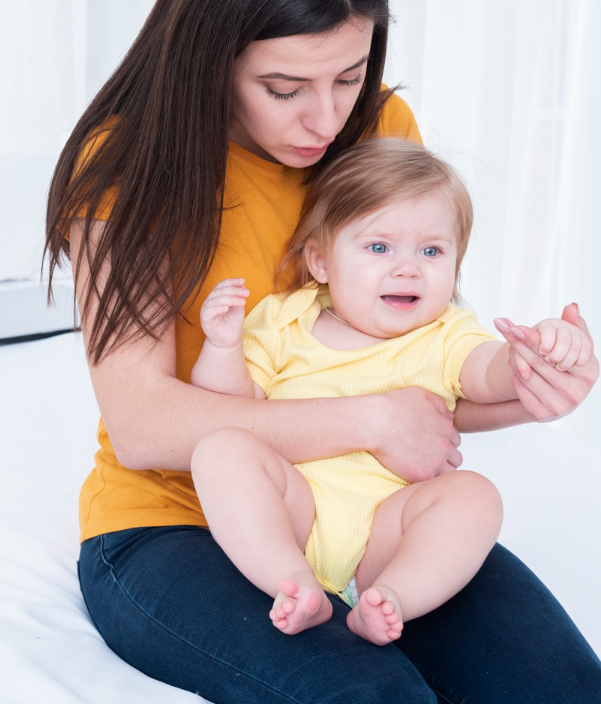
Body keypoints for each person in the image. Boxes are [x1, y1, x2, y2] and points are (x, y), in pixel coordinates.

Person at [44, 0, 601, 702]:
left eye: (348, 75)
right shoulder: (128, 166)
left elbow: (418, 366)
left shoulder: (382, 127)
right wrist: (368, 419)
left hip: (371, 513)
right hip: (174, 522)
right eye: (285, 88)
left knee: (563, 687)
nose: (326, 119)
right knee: (375, 696)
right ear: (211, 58)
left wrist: (529, 387)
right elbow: (141, 425)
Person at [189, 138, 595, 646]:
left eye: (432, 251)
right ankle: (292, 581)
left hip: (385, 535)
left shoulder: (445, 333)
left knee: (475, 496)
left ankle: (393, 597)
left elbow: (488, 372)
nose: (408, 268)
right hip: (293, 513)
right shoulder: (284, 319)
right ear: (320, 261)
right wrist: (223, 347)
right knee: (219, 449)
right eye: (379, 247)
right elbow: (227, 409)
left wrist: (534, 354)